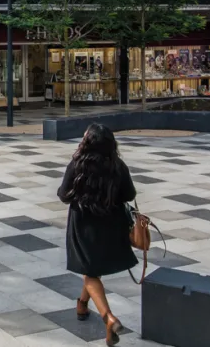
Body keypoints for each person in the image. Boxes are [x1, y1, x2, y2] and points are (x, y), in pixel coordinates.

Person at [57, 124, 137, 346]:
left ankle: (108, 318)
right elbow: (130, 194)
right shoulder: (117, 166)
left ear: (88, 142)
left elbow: (64, 195)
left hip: (83, 225)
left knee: (89, 272)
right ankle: (82, 304)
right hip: (112, 225)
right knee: (91, 269)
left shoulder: (78, 165)